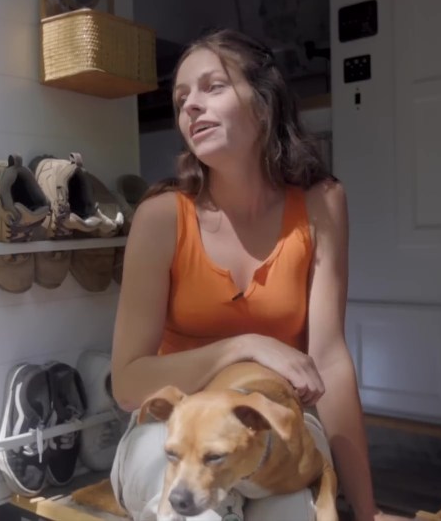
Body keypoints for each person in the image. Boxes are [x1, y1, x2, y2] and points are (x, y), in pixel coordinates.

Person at [109, 28, 406, 521]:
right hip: (172, 439)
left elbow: (329, 361)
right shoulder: (161, 217)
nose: (191, 107)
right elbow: (128, 383)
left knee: (295, 514)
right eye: (182, 98)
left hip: (274, 429)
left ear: (264, 103)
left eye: (213, 87)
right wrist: (243, 344)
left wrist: (369, 512)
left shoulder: (322, 204)